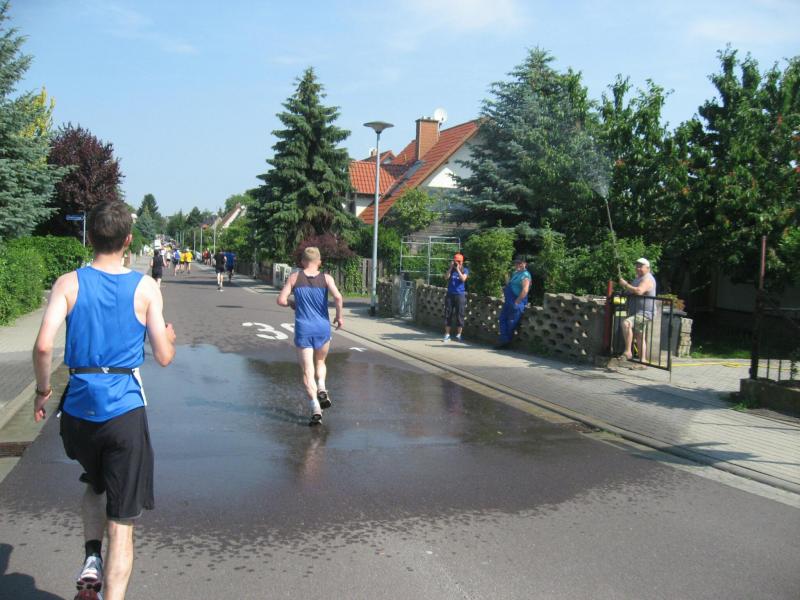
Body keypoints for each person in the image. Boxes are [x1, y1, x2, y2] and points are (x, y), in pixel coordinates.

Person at [32, 201, 176, 600]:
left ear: (91, 237)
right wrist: (169, 337)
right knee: (123, 522)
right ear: (128, 240)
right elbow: (164, 356)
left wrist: (43, 392)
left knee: (95, 484)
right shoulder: (145, 288)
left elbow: (43, 346)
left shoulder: (68, 283)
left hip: (78, 412)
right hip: (124, 412)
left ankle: (92, 555)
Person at [277, 247, 343, 426]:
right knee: (320, 362)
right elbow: (338, 298)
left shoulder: (294, 278)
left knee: (307, 370)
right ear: (319, 262)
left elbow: (281, 300)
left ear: (302, 262)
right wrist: (339, 317)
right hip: (322, 328)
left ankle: (315, 407)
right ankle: (322, 386)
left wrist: (292, 303)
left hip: (304, 329)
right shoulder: (327, 278)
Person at [618, 257, 657, 361]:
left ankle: (628, 351)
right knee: (639, 336)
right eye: (637, 266)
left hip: (644, 313)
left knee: (626, 324)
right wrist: (625, 291)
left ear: (648, 268)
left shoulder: (647, 279)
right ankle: (642, 362)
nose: (638, 268)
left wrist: (626, 284)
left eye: (641, 266)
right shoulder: (638, 278)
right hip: (638, 312)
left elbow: (639, 291)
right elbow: (632, 291)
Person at [496, 255, 532, 349]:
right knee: (502, 319)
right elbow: (512, 285)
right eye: (516, 263)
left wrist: (517, 302)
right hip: (509, 301)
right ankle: (504, 340)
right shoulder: (516, 273)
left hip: (516, 301)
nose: (517, 265)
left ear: (524, 264)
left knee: (511, 322)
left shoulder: (525, 275)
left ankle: (506, 343)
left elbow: (525, 290)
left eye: (519, 263)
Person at [443, 252, 469, 342]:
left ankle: (459, 335)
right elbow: (446, 277)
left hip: (460, 295)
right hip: (450, 294)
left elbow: (463, 279)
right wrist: (451, 268)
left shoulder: (465, 270)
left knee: (460, 314)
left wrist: (458, 269)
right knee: (448, 314)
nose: (456, 263)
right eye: (455, 261)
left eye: (458, 261)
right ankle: (447, 335)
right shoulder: (451, 269)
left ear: (461, 262)